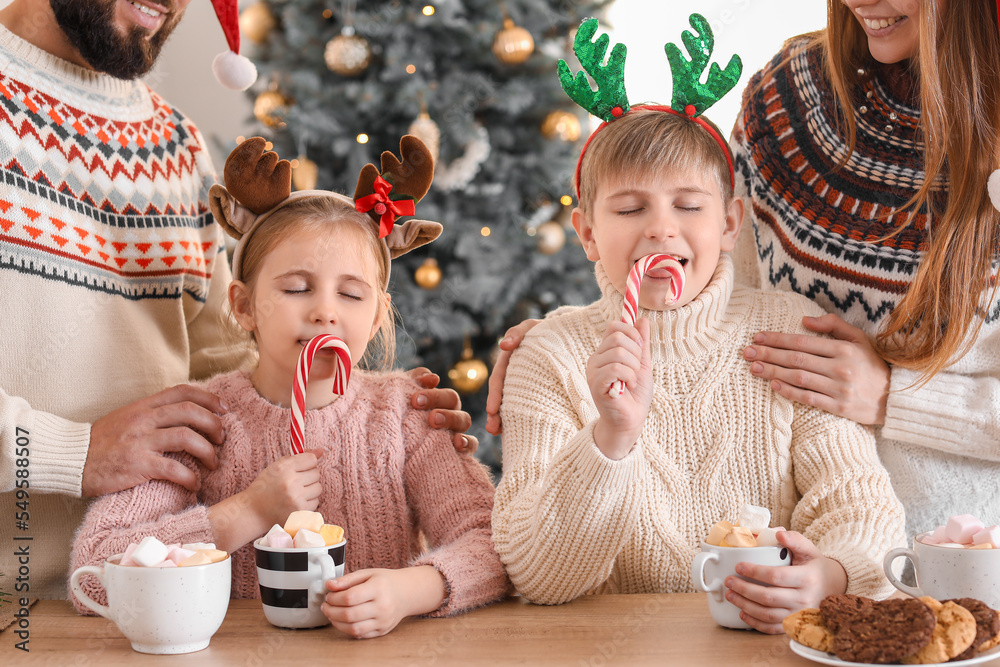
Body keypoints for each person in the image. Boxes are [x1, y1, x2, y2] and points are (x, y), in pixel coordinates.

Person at [0, 0, 473, 602]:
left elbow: (226, 354)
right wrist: (71, 453)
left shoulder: (178, 149)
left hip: (154, 605)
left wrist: (372, 417)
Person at [490, 0, 1000, 545]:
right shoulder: (790, 97)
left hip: (967, 557)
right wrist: (568, 342)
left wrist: (892, 397)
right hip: (786, 571)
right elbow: (723, 297)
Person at [492, 16, 906, 633]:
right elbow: (538, 576)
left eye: (689, 205)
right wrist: (611, 435)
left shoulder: (791, 333)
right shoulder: (549, 356)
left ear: (731, 223)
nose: (661, 229)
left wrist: (829, 576)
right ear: (586, 233)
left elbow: (860, 503)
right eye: (631, 208)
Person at [70, 136, 510, 638]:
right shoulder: (203, 423)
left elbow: (493, 544)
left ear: (377, 314)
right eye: (297, 287)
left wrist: (410, 590)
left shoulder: (406, 416)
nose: (325, 310)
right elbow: (97, 571)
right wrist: (248, 511)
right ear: (242, 305)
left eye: (350, 293)